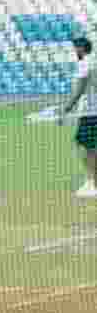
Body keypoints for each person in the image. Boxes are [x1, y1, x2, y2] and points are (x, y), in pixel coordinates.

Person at [59, 36, 97, 199]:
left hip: (90, 112)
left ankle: (93, 183)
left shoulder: (85, 63)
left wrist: (66, 109)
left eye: (75, 48)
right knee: (89, 146)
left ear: (81, 48)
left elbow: (79, 89)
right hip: (92, 111)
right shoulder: (93, 62)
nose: (74, 51)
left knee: (85, 146)